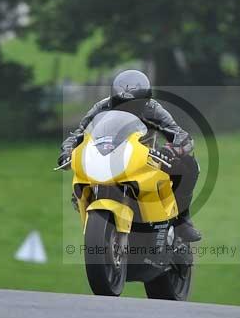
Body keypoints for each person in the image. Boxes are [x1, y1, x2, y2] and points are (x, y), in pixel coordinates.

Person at [57, 69, 202, 242]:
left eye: (133, 105)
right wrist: (67, 151)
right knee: (81, 177)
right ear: (113, 99)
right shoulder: (101, 107)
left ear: (145, 101)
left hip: (145, 160)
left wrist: (172, 150)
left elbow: (181, 136)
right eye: (120, 103)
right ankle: (86, 203)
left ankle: (182, 221)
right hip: (107, 157)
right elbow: (77, 134)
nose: (127, 109)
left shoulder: (153, 109)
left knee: (189, 165)